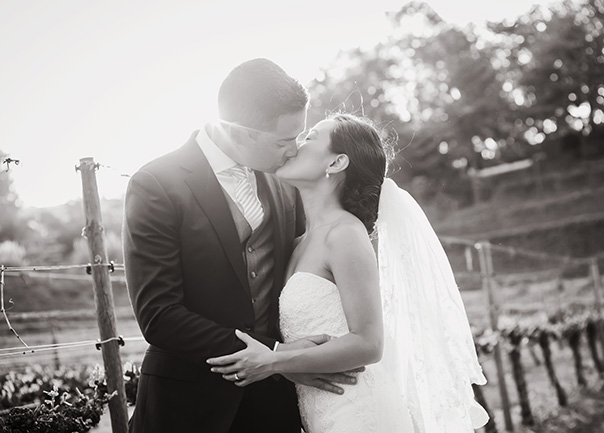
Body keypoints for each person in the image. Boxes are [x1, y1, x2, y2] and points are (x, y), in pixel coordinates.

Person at [207, 113, 490, 432]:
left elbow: (369, 343)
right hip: (320, 411)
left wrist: (273, 360)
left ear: (336, 162)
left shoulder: (345, 235)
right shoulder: (298, 241)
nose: (297, 144)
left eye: (310, 137)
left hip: (358, 411)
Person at [123, 59, 359, 433]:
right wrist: (277, 354)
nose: (293, 150)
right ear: (240, 132)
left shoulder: (285, 184)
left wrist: (290, 365)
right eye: (284, 140)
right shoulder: (157, 183)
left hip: (273, 406)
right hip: (186, 407)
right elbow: (158, 314)